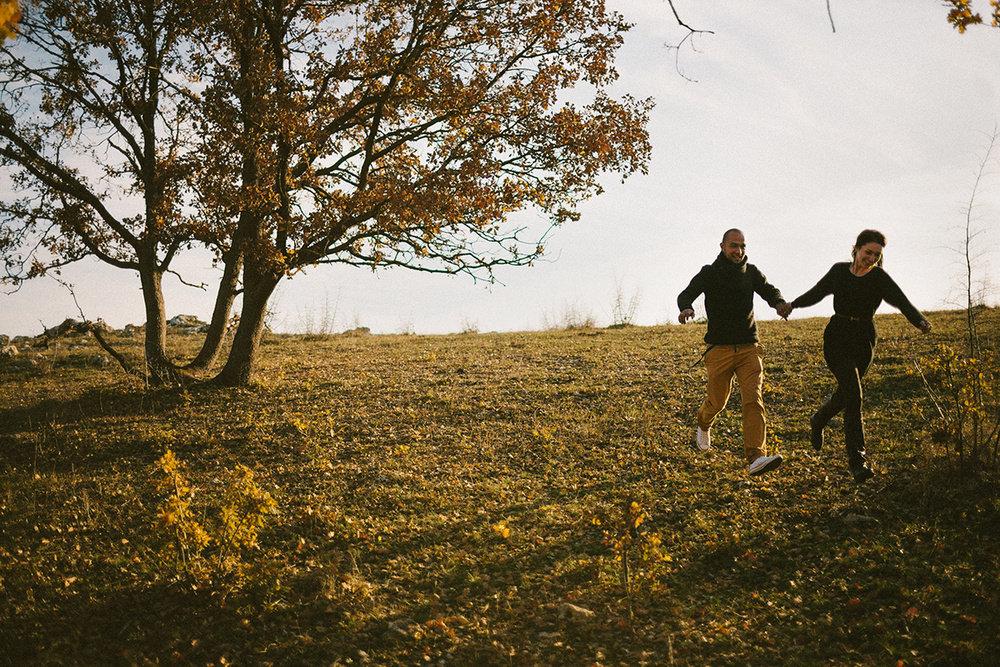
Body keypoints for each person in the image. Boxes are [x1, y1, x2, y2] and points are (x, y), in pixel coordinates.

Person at [788, 229, 932, 483]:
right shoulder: (839, 272)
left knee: (846, 395)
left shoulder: (879, 278)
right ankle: (858, 461)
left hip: (864, 340)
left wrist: (918, 320)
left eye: (877, 255)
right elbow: (817, 292)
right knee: (854, 396)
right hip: (837, 336)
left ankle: (819, 418)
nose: (872, 258)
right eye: (868, 252)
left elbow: (902, 301)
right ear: (856, 249)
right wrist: (792, 305)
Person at [677, 228, 791, 476]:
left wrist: (779, 303)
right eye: (734, 246)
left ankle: (756, 457)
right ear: (722, 246)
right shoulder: (709, 273)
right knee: (717, 401)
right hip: (720, 350)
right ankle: (703, 422)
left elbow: (769, 290)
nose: (738, 251)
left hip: (749, 347)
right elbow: (686, 294)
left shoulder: (750, 272)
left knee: (753, 399)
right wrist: (686, 308)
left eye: (742, 246)